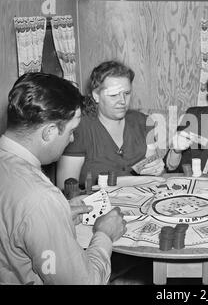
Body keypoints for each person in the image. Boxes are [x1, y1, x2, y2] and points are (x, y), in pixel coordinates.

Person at [0, 73, 126, 284]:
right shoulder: (42, 198)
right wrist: (104, 234)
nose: (72, 138)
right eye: (71, 131)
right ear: (49, 132)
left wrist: (61, 213)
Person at [57, 60, 164, 189]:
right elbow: (66, 189)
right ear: (96, 95)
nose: (122, 101)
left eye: (127, 93)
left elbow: (153, 170)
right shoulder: (79, 128)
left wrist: (157, 168)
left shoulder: (145, 122)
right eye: (113, 95)